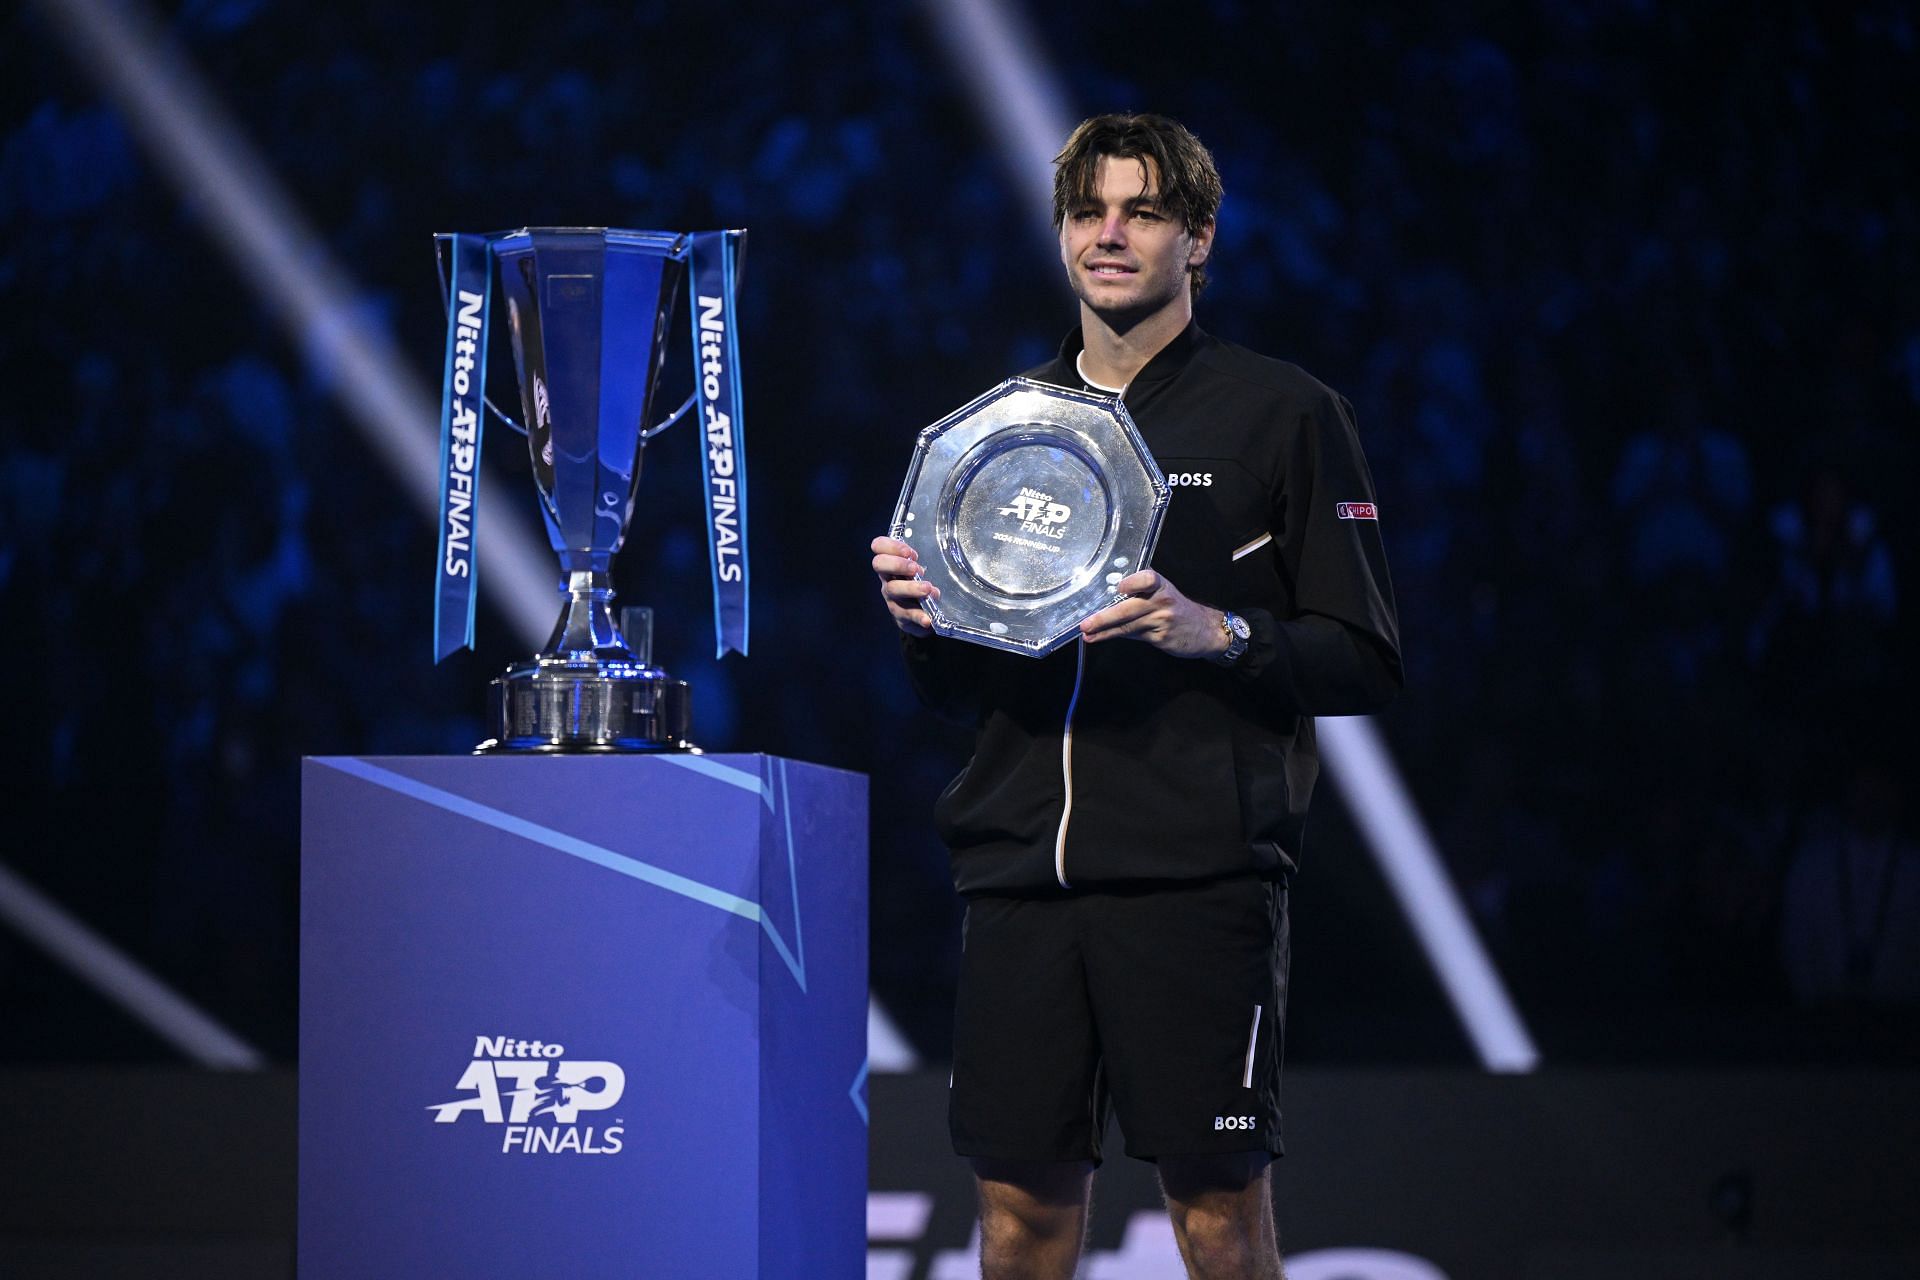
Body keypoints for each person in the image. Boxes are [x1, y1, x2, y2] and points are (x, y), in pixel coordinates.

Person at [871, 113, 1401, 1280]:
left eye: (1144, 212)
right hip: (1021, 875)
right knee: (1016, 1217)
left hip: (1197, 879)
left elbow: (1364, 657)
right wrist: (924, 620)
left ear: (1199, 238)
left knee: (1218, 1218)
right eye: (1087, 211)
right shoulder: (1005, 432)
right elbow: (964, 687)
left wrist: (1215, 630)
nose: (1109, 236)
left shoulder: (1285, 414)